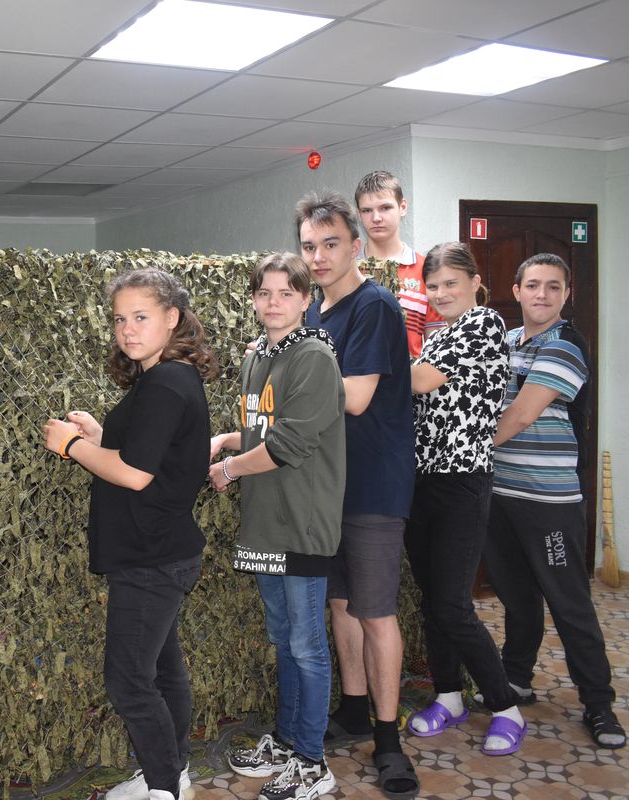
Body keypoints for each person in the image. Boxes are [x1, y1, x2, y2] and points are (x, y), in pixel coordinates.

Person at [41, 268, 217, 800]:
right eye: (120, 319)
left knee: (129, 681)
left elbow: (136, 474)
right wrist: (100, 435)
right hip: (161, 551)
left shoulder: (164, 382)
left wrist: (71, 446)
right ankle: (172, 773)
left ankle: (164, 788)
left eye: (141, 317)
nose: (127, 329)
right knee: (163, 671)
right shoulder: (168, 377)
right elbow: (150, 453)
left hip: (151, 558)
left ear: (172, 317)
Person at [295, 191, 418, 800]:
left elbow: (357, 397)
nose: (318, 256)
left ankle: (389, 740)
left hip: (373, 485)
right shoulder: (315, 313)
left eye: (330, 244)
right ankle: (352, 708)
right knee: (341, 604)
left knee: (374, 611)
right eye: (308, 246)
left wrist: (290, 375)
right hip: (329, 486)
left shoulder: (374, 306)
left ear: (355, 245)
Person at [209, 253, 345, 800]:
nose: (274, 302)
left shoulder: (313, 357)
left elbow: (288, 444)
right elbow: (262, 429)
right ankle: (286, 743)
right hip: (264, 522)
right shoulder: (259, 358)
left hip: (303, 523)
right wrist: (226, 440)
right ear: (252, 299)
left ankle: (312, 761)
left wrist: (228, 469)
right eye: (264, 293)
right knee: (283, 638)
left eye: (286, 293)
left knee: (307, 645)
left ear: (306, 299)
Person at [484, 253, 627, 749]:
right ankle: (516, 678)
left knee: (569, 603)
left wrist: (468, 448)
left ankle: (599, 704)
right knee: (517, 597)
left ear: (567, 294)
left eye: (553, 286)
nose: (541, 294)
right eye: (532, 285)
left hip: (547, 499)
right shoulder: (504, 342)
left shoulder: (566, 344)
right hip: (499, 492)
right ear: (516, 290)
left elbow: (522, 413)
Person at [403, 242, 526, 756]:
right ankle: (449, 696)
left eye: (451, 283)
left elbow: (418, 381)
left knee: (453, 605)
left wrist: (357, 358)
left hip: (462, 481)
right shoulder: (439, 336)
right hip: (423, 481)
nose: (440, 293)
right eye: (432, 286)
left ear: (475, 283)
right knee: (434, 601)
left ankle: (505, 707)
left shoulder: (484, 324)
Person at [354, 170, 443, 358]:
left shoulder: (427, 270)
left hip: (410, 376)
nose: (376, 218)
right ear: (359, 214)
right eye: (367, 210)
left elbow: (435, 351)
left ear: (402, 207)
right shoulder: (347, 269)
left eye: (385, 208)